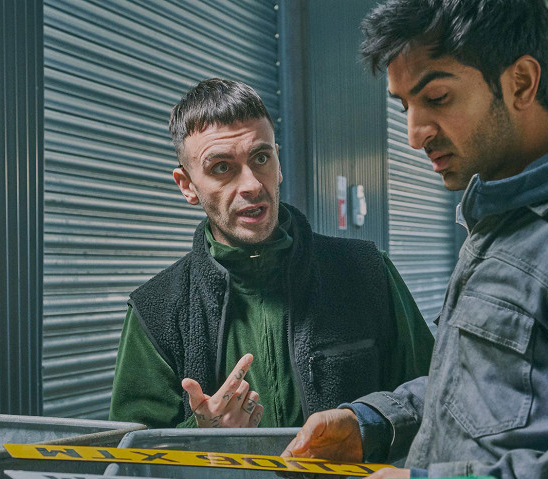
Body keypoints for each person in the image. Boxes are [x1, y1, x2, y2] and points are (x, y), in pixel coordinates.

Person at [282, 0, 548, 479]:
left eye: (437, 97)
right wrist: (374, 422)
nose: (414, 135)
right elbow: (483, 391)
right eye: (405, 106)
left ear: (521, 82)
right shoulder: (501, 224)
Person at [108, 78, 434, 429]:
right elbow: (129, 452)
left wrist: (366, 427)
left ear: (278, 164)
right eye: (222, 167)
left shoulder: (366, 270)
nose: (251, 185)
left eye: (261, 158)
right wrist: (201, 435)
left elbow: (433, 397)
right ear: (187, 186)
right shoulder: (155, 310)